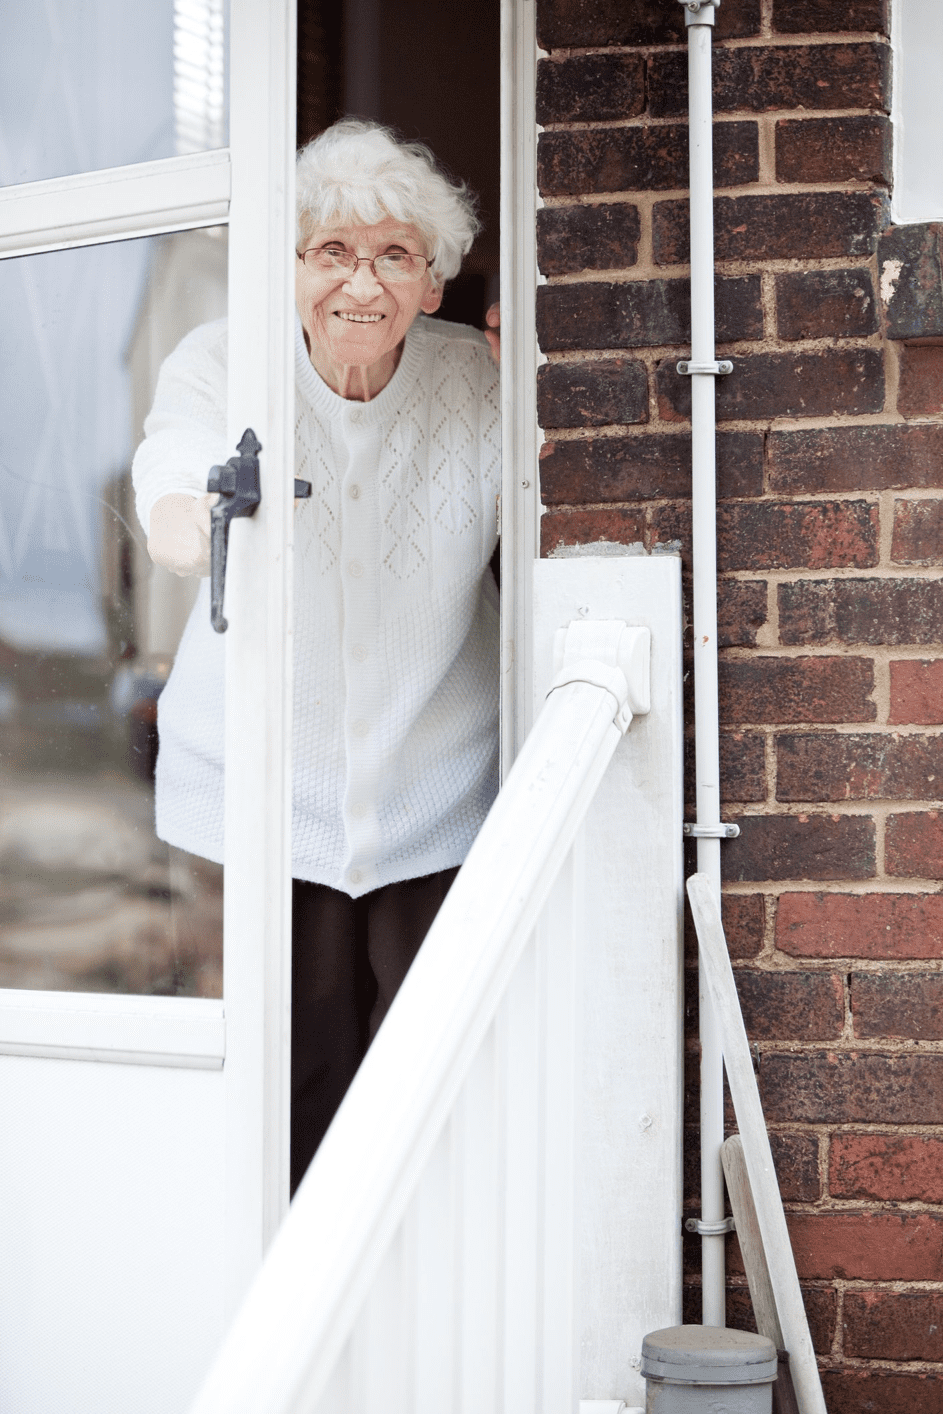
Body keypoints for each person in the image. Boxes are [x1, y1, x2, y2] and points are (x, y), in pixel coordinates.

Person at [132, 119, 501, 1193]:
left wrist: (539, 367)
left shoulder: (473, 386)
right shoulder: (222, 362)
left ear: (430, 285)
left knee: (430, 1079)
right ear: (287, 269)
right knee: (283, 1078)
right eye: (330, 252)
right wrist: (192, 520)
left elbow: (559, 492)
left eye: (395, 255)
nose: (361, 284)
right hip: (252, 789)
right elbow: (171, 477)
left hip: (437, 779)